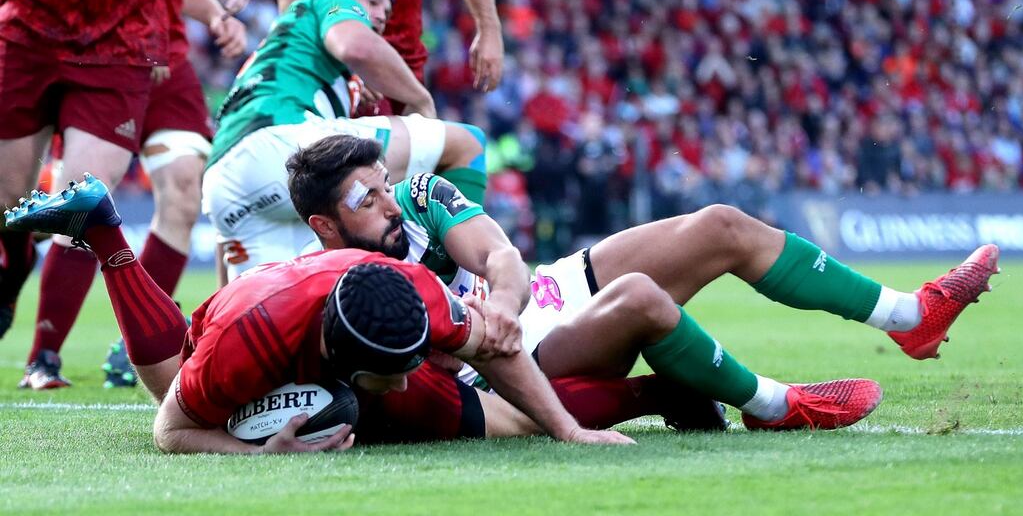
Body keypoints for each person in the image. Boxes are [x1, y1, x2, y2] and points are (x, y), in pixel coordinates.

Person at [285, 134, 1001, 430]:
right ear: (323, 225)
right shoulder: (332, 278)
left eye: (381, 187)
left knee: (722, 223)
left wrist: (503, 302)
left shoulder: (415, 194)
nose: (386, 202)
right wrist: (488, 337)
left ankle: (910, 316)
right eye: (364, 199)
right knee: (642, 303)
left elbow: (501, 255)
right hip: (518, 369)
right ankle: (777, 406)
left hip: (541, 300)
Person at [3, 176, 633, 453]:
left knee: (508, 414)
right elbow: (171, 431)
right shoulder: (251, 341)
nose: (409, 376)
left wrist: (568, 432)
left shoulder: (412, 288)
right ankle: (109, 235)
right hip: (246, 321)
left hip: (262, 308)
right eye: (396, 369)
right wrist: (259, 458)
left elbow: (497, 351)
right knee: (175, 389)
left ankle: (105, 230)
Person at [11, 0, 251, 392]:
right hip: (106, 57)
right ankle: (44, 356)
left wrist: (216, 15)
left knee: (184, 190)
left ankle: (135, 342)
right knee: (81, 198)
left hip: (169, 71)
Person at [204, 0, 488, 284]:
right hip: (280, 143)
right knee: (466, 143)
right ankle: (464, 293)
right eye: (373, 1)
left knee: (270, 313)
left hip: (222, 186)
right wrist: (420, 101)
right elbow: (355, 46)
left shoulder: (281, 61)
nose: (381, 15)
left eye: (387, 10)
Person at [275, 0, 504, 107]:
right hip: (340, 71)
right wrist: (347, 70)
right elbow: (295, 9)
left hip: (407, 61)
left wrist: (489, 28)